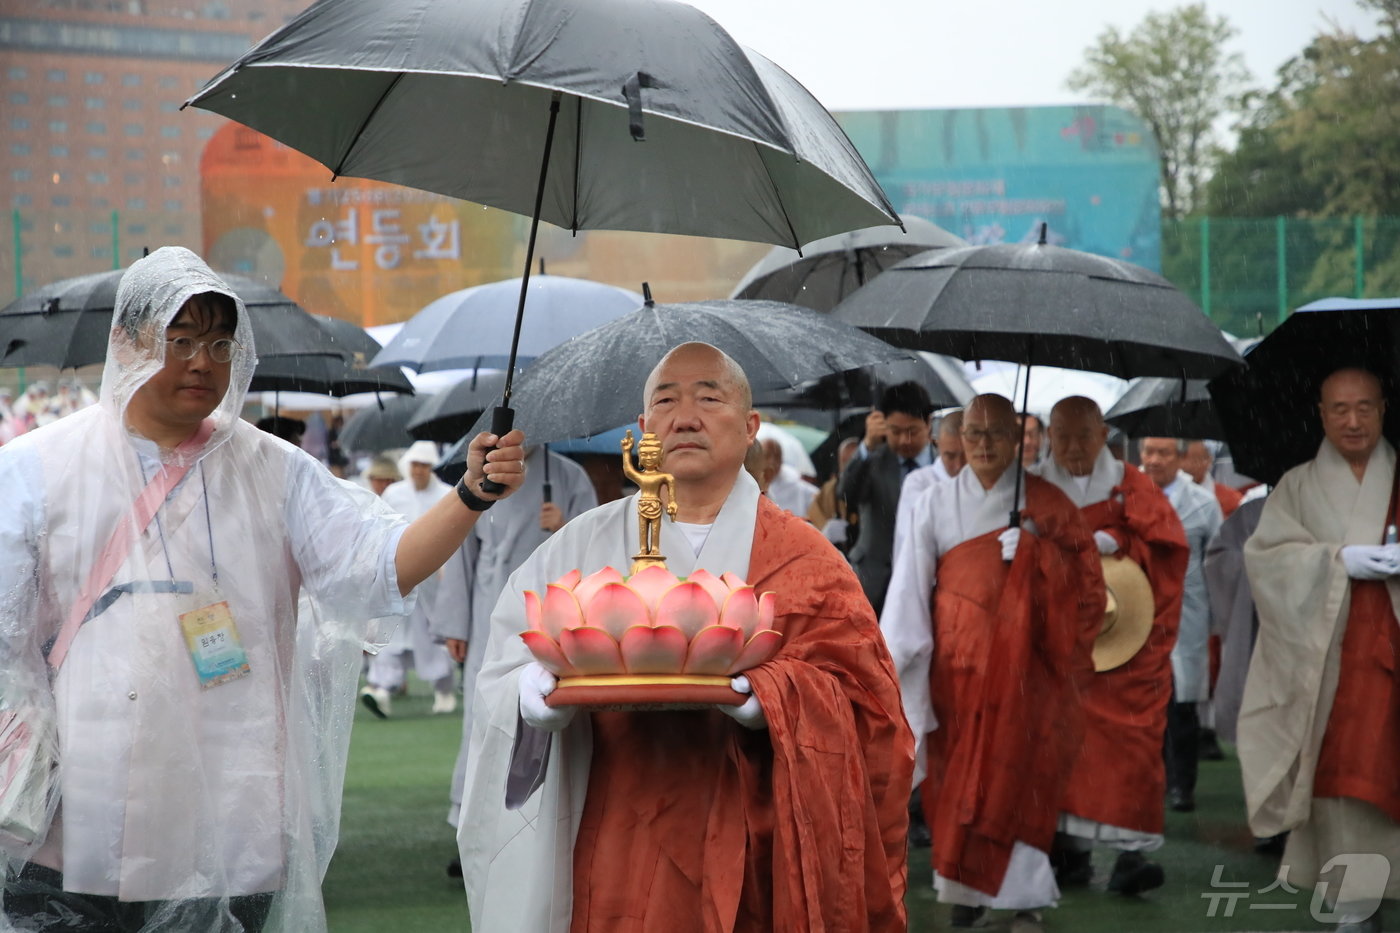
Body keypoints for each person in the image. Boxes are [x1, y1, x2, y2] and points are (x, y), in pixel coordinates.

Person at [0, 247, 524, 932]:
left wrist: (471, 494)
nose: (201, 361)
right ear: (125, 341)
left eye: (220, 343)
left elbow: (376, 563)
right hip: (69, 814)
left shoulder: (273, 469)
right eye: (179, 339)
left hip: (222, 811)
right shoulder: (36, 468)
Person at [458, 342, 913, 933]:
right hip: (618, 822)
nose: (686, 416)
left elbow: (870, 711)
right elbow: (503, 667)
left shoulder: (809, 560)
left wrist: (773, 698)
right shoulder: (580, 545)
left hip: (756, 829)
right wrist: (530, 691)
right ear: (644, 428)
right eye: (666, 401)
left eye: (709, 396)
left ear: (751, 427)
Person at [882, 394, 1103, 932]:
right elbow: (910, 585)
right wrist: (898, 655)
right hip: (954, 670)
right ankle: (963, 886)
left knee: (1015, 777)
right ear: (955, 440)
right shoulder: (934, 502)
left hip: (1026, 675)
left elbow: (1090, 594)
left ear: (1018, 439)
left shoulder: (1047, 505)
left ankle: (1021, 898)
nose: (983, 445)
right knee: (958, 780)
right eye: (974, 434)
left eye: (995, 434)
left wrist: (1037, 556)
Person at [1240, 367, 1400, 930]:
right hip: (1333, 666)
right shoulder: (1297, 486)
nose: (1353, 421)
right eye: (1339, 409)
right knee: (1342, 780)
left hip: (1393, 654)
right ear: (1321, 413)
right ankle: (1353, 905)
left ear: (1383, 409)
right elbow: (1265, 561)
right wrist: (1336, 561)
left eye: (1364, 407)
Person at [1033, 397, 1187, 895]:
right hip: (1054, 637)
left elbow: (1168, 549)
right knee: (1055, 742)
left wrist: (1119, 544)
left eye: (1084, 435)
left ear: (1104, 436)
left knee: (1131, 741)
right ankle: (1066, 848)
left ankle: (1130, 854)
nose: (1074, 447)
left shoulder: (1131, 485)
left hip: (1126, 636)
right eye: (1063, 436)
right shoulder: (1030, 485)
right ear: (1048, 436)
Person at [434, 445, 596, 838]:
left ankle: (544, 818)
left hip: (553, 610)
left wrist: (565, 524)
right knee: (484, 710)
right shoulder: (483, 477)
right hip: (490, 609)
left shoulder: (569, 476)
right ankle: (471, 817)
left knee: (552, 713)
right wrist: (455, 624)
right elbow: (461, 551)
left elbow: (597, 543)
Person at [1139, 436, 1223, 813]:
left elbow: (1217, 563)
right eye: (1148, 452)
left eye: (1163, 453)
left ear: (1181, 457)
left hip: (1185, 613)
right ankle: (1144, 781)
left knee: (1181, 705)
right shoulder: (1124, 494)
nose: (1153, 460)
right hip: (1135, 612)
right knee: (1137, 701)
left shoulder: (1203, 504)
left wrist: (1214, 619)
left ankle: (1180, 785)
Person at [360, 440, 460, 718]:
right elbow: (381, 528)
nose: (418, 471)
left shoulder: (447, 494)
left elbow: (455, 534)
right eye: (415, 465)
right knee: (390, 631)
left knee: (432, 634)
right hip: (398, 577)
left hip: (433, 582)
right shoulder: (394, 493)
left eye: (424, 466)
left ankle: (444, 689)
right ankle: (381, 688)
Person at [839, 381, 936, 614]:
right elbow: (846, 495)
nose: (904, 440)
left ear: (929, 424)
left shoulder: (944, 464)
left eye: (912, 431)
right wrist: (867, 446)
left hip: (928, 580)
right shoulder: (873, 460)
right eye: (895, 431)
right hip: (874, 581)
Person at [761, 437, 818, 518]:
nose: (771, 462)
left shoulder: (799, 488)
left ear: (781, 460)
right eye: (767, 456)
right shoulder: (751, 483)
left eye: (776, 456)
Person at [1183, 440, 1242, 518]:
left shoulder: (1230, 498)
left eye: (1197, 459)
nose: (1191, 466)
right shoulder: (1166, 494)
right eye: (1185, 459)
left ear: (1209, 460)